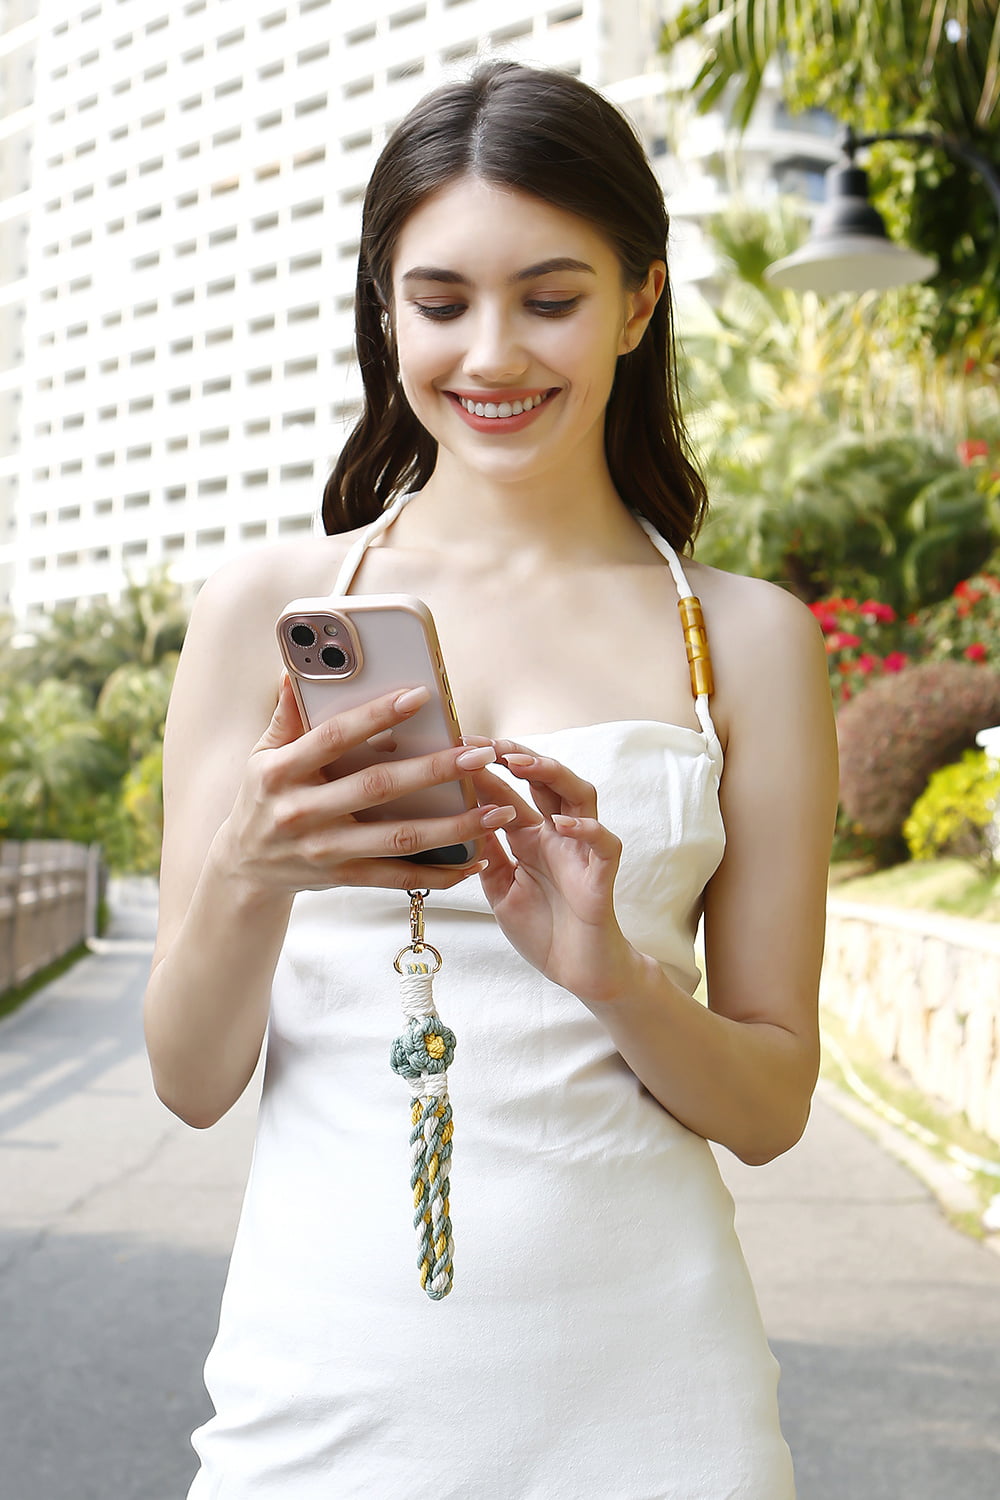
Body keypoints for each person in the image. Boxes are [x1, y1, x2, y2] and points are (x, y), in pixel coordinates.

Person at [146, 60, 838, 1499]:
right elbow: (191, 1078)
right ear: (385, 309)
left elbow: (771, 1110)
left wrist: (617, 976)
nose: (494, 355)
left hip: (662, 1411)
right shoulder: (265, 607)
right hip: (317, 1396)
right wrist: (248, 863)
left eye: (552, 296)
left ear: (641, 301)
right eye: (443, 300)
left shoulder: (753, 640)